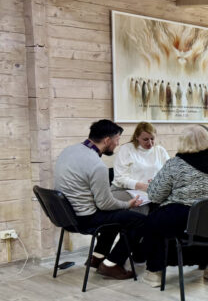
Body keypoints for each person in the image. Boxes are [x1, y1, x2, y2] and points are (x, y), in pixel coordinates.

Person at [140, 125, 208, 286]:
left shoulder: (175, 164)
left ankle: (155, 272)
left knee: (153, 221)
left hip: (188, 222)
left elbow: (155, 195)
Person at [53, 119, 146, 280]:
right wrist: (128, 204)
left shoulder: (68, 151)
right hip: (84, 219)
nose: (117, 144)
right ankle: (112, 264)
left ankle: (97, 257)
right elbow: (105, 204)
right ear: (107, 140)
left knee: (117, 216)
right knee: (140, 221)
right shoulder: (97, 165)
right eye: (117, 140)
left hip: (65, 216)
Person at [111, 121, 170, 213]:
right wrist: (143, 186)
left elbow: (169, 173)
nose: (150, 143)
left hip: (151, 190)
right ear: (137, 137)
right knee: (141, 206)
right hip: (125, 189)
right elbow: (120, 179)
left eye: (152, 139)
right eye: (145, 139)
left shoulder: (160, 150)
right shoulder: (126, 149)